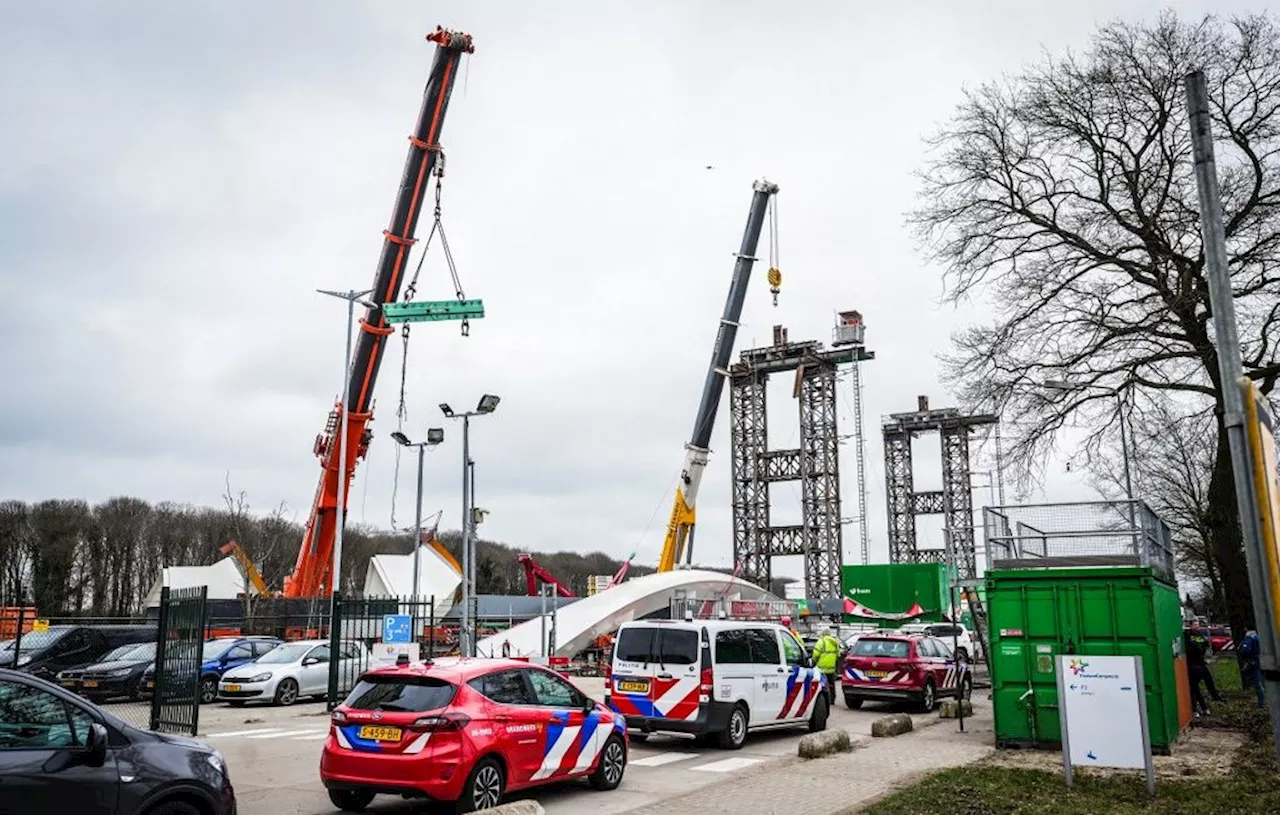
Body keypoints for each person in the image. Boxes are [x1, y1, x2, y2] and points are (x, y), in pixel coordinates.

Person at [1185, 621, 1224, 716]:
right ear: (1190, 625)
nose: (1197, 626)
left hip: (1197, 665)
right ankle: (1202, 708)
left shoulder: (1194, 635)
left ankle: (1201, 708)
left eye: (1197, 624)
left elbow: (1205, 646)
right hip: (1195, 665)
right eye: (1195, 624)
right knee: (1195, 688)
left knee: (1196, 688)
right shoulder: (1189, 635)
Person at [811, 625, 842, 705]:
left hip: (821, 668)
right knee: (831, 684)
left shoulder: (821, 641)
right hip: (831, 668)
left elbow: (815, 654)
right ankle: (832, 698)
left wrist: (814, 662)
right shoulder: (835, 642)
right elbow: (838, 655)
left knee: (821, 685)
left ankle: (824, 700)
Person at [1239, 629, 1265, 710]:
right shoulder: (1258, 636)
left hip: (1253, 662)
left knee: (1257, 684)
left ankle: (1261, 704)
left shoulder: (1249, 637)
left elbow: (1245, 650)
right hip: (1260, 661)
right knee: (1261, 681)